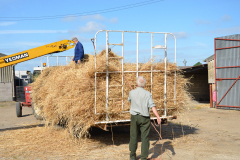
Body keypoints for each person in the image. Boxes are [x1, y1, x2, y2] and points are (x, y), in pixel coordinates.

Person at [128, 76, 161, 160]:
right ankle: (143, 157)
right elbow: (152, 106)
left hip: (134, 117)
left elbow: (130, 100)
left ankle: (132, 156)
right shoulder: (147, 93)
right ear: (144, 85)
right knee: (145, 137)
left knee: (133, 136)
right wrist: (157, 116)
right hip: (145, 118)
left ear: (136, 84)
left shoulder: (131, 92)